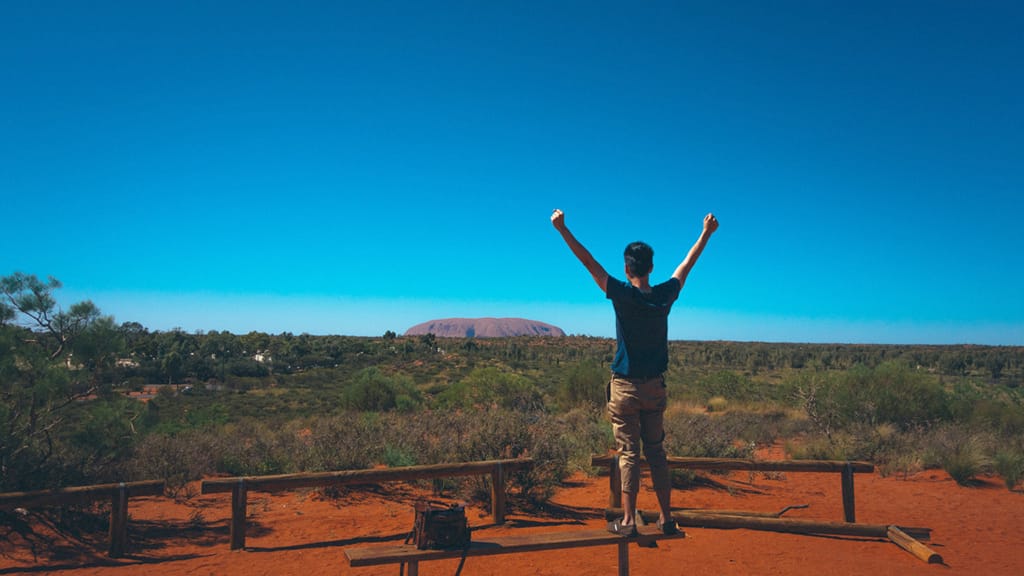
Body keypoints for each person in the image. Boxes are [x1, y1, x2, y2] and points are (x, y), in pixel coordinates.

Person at [550, 208, 718, 536]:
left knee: (629, 452)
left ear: (627, 269)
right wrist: (706, 234)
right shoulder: (665, 296)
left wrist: (562, 229)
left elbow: (589, 263)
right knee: (656, 451)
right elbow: (687, 265)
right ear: (651, 268)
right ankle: (667, 518)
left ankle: (627, 521)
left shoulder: (622, 295)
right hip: (655, 388)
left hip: (625, 388)